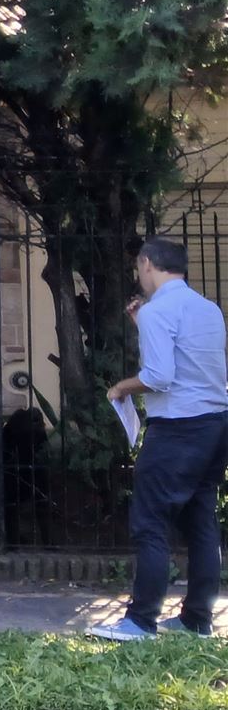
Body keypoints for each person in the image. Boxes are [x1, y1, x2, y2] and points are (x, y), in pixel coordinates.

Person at [91, 236, 228, 640]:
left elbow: (159, 377)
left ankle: (140, 620)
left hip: (177, 429)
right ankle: (196, 619)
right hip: (216, 424)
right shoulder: (209, 309)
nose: (139, 274)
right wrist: (144, 325)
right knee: (201, 521)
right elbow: (189, 361)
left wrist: (120, 388)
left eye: (139, 267)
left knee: (150, 522)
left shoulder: (156, 311)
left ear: (148, 263)